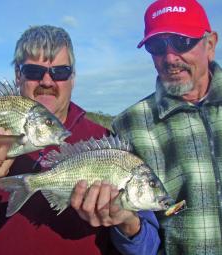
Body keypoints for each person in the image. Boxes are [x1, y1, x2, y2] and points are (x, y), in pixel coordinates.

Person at [0, 25, 156, 255]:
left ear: (73, 78)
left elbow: (146, 247)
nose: (47, 81)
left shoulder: (105, 143)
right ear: (18, 75)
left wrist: (126, 223)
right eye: (34, 71)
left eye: (60, 72)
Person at [111, 0, 222, 254]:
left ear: (210, 44)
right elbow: (144, 242)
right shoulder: (129, 125)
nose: (170, 57)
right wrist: (128, 226)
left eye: (182, 41)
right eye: (157, 45)